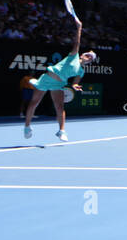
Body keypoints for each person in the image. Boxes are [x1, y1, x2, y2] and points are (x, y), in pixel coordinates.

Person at [23, 11, 96, 142]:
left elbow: (74, 83)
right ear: (82, 55)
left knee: (60, 107)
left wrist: (75, 86)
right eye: (87, 54)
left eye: (90, 57)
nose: (88, 56)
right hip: (47, 79)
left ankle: (61, 131)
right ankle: (27, 127)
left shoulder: (81, 71)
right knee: (34, 103)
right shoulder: (74, 55)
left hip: (58, 84)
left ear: (89, 61)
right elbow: (77, 42)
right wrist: (79, 27)